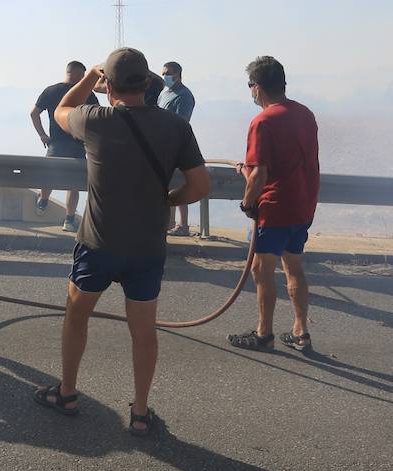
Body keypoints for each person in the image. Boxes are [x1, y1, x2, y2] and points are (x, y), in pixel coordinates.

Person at [32, 48, 210, 436]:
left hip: (98, 243)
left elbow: (63, 109)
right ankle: (142, 413)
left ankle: (67, 393)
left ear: (107, 85)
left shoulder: (95, 119)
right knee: (143, 332)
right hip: (147, 248)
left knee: (76, 319)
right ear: (148, 83)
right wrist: (168, 200)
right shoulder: (174, 127)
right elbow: (199, 186)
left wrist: (86, 78)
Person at [228, 56, 320, 354]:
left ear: (258, 88)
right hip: (303, 206)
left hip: (275, 208)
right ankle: (301, 332)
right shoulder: (305, 114)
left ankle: (263, 332)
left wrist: (246, 202)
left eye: (250, 86)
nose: (251, 92)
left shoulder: (262, 121)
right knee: (294, 266)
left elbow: (259, 174)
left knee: (261, 268)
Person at [30, 61, 98, 232]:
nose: (84, 80)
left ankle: (43, 202)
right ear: (77, 74)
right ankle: (68, 220)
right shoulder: (87, 94)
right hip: (78, 144)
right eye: (82, 76)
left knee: (50, 176)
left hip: (56, 143)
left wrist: (42, 135)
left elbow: (34, 113)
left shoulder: (50, 90)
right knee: (73, 184)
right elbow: (96, 118)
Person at [160, 61, 198, 236]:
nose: (165, 77)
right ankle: (170, 223)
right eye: (164, 73)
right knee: (168, 185)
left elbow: (183, 123)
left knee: (180, 184)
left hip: (177, 146)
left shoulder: (184, 96)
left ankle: (183, 226)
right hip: (162, 146)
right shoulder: (164, 93)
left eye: (168, 73)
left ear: (178, 74)